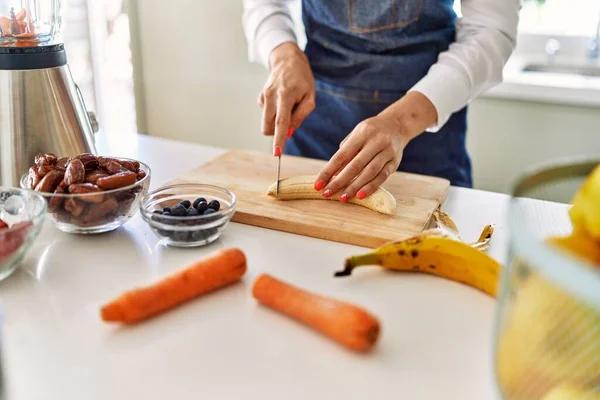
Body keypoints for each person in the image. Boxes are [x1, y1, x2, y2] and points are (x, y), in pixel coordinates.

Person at [242, 0, 520, 202]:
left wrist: (401, 122)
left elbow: (490, 30)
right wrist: (283, 54)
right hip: (315, 123)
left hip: (425, 134)